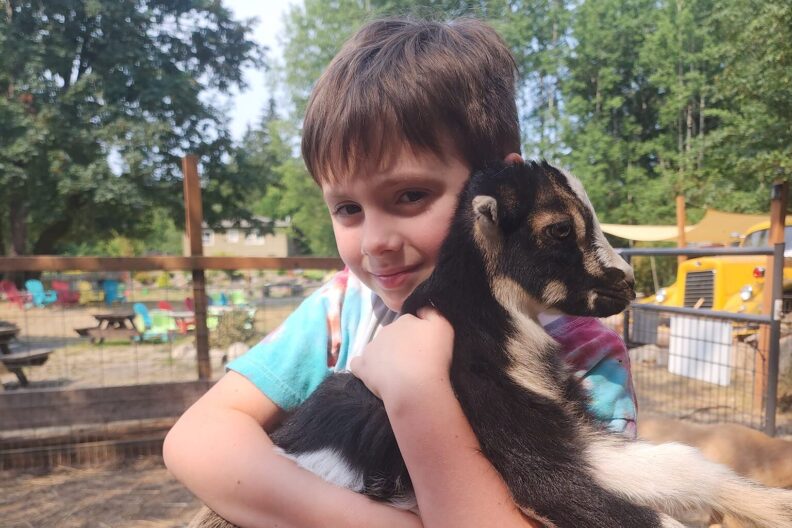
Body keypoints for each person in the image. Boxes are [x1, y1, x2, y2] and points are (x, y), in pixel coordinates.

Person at [164, 17, 637, 528]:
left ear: (508, 190)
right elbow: (198, 438)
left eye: (410, 196)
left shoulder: (585, 355)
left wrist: (417, 393)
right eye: (347, 208)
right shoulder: (342, 310)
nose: (375, 242)